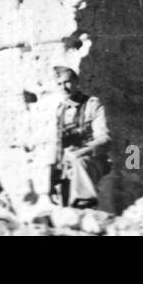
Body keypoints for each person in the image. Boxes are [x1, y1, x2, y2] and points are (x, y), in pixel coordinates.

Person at [51, 66, 110, 208]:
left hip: (93, 160)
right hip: (69, 163)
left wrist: (81, 152)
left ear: (77, 82)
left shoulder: (92, 105)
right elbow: (58, 146)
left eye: (67, 82)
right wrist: (53, 176)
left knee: (79, 162)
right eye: (59, 84)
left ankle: (85, 202)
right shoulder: (61, 110)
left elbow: (105, 139)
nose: (64, 88)